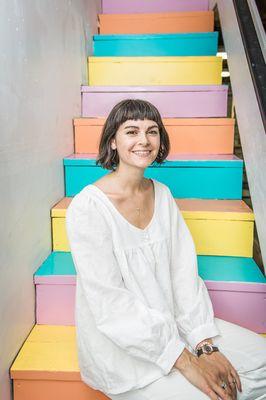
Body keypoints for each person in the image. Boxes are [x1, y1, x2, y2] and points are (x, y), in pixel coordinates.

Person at [66, 99, 266, 400]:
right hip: (124, 351)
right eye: (131, 131)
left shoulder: (162, 194)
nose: (144, 140)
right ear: (113, 141)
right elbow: (111, 307)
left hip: (175, 324)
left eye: (153, 131)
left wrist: (203, 345)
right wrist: (185, 361)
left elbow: (183, 274)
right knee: (215, 396)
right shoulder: (88, 207)